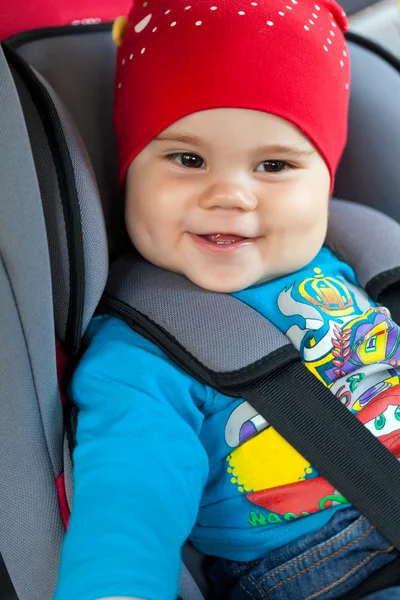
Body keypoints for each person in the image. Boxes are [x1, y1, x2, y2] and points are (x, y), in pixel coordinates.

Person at [54, 1, 400, 599]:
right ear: (129, 172)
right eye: (188, 159)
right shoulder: (141, 353)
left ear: (326, 181)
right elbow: (132, 501)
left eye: (273, 165)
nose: (230, 194)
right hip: (316, 572)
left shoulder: (350, 255)